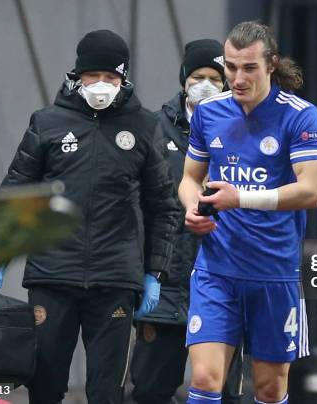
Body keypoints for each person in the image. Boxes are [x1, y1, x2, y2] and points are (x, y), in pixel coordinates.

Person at [0, 29, 179, 404]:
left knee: (106, 391)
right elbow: (16, 192)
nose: (101, 85)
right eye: (92, 76)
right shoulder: (46, 123)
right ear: (76, 76)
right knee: (44, 387)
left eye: (110, 77)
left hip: (115, 278)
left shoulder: (144, 126)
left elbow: (164, 204)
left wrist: (154, 271)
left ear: (123, 79)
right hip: (52, 273)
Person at [179, 21, 317, 404]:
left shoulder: (300, 115)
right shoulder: (208, 112)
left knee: (269, 388)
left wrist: (240, 198)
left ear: (271, 65)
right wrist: (192, 206)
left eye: (249, 68)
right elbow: (189, 179)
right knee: (205, 378)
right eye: (230, 67)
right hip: (217, 268)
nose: (237, 78)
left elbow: (312, 191)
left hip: (275, 272)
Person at [129, 38, 243, 404]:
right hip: (164, 285)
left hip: (223, 282)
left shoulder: (244, 129)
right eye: (197, 76)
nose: (206, 84)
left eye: (215, 76)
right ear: (183, 80)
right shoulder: (153, 129)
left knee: (219, 390)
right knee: (150, 389)